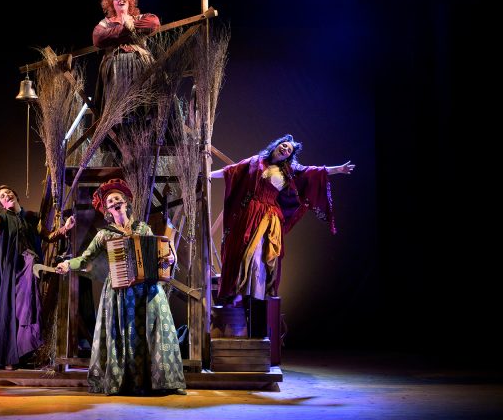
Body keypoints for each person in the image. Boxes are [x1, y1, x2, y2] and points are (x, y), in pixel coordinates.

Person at [210, 134, 355, 336]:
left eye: (289, 150)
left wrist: (337, 169)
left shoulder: (289, 170)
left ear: (289, 156)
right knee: (243, 257)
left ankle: (257, 299)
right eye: (283, 145)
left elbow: (312, 172)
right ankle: (240, 296)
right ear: (276, 146)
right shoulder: (255, 161)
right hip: (248, 217)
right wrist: (208, 175)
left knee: (260, 259)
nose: (285, 149)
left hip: (268, 218)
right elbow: (231, 171)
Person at [55, 179, 186, 395]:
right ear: (107, 210)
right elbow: (86, 258)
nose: (114, 202)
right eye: (110, 201)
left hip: (146, 289)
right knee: (122, 333)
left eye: (117, 199)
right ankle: (123, 382)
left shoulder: (142, 228)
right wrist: (68, 264)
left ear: (125, 203)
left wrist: (169, 258)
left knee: (156, 330)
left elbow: (159, 253)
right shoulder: (104, 234)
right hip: (119, 291)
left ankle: (163, 382)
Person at [0, 185, 75, 370]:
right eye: (2, 195)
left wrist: (65, 228)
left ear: (15, 195)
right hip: (10, 270)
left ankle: (25, 352)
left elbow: (48, 236)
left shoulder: (32, 218)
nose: (6, 195)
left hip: (28, 267)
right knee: (11, 310)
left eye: (8, 192)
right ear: (2, 203)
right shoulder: (1, 218)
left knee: (26, 308)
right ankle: (10, 356)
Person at [92, 0, 160, 114]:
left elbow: (154, 22)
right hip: (115, 66)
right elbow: (98, 38)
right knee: (117, 108)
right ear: (111, 4)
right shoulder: (106, 22)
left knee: (143, 105)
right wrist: (126, 29)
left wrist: (130, 25)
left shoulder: (138, 18)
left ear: (129, 1)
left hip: (139, 63)